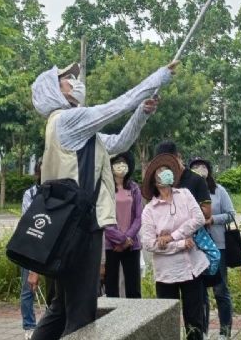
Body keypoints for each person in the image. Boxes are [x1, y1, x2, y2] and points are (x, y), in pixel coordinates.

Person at [27, 60, 177, 339]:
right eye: (66, 79)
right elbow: (116, 106)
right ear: (53, 92)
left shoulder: (73, 129)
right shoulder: (68, 120)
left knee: (62, 308)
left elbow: (119, 143)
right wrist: (159, 77)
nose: (74, 81)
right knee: (81, 311)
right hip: (79, 227)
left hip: (67, 225)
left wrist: (141, 114)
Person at [140, 153, 208, 340]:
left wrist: (171, 236)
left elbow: (199, 219)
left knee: (195, 322)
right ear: (154, 180)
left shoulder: (185, 195)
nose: (166, 173)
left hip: (191, 268)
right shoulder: (149, 210)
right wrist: (179, 243)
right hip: (166, 274)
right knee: (167, 322)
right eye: (160, 172)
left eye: (167, 170)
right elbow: (149, 243)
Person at [188, 157, 235, 340]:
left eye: (203, 166)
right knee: (200, 293)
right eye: (195, 167)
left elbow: (230, 214)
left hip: (218, 246)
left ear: (209, 169)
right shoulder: (187, 192)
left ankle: (225, 331)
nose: (200, 169)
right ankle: (203, 330)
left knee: (220, 289)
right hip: (197, 247)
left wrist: (212, 219)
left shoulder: (218, 191)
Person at [103, 151, 143, 299]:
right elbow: (103, 218)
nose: (121, 166)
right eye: (117, 163)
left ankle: (137, 321)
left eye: (124, 162)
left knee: (134, 289)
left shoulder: (134, 188)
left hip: (132, 244)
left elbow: (139, 217)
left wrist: (127, 239)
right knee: (111, 289)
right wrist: (120, 239)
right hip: (111, 244)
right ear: (110, 166)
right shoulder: (105, 188)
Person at [154, 141, 212, 220]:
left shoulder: (197, 179)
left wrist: (182, 207)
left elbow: (207, 212)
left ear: (178, 157)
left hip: (192, 230)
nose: (167, 166)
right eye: (163, 164)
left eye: (170, 162)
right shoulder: (161, 182)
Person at [20, 162, 42, 339]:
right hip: (30, 246)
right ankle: (29, 326)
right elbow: (28, 221)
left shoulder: (60, 193)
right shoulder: (31, 194)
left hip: (52, 249)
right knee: (28, 289)